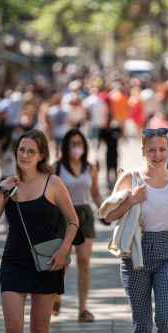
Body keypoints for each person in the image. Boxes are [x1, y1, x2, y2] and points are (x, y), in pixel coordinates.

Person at [0, 129, 79, 333]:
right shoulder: (8, 185)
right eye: (21, 150)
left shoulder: (52, 183)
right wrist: (1, 192)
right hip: (13, 262)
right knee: (13, 330)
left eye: (31, 151)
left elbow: (73, 221)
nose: (24, 155)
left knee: (39, 329)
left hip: (46, 262)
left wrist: (64, 249)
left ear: (41, 156)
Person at [104, 127, 168, 333]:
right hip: (135, 255)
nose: (157, 155)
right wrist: (131, 199)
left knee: (166, 319)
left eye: (162, 149)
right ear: (143, 151)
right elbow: (107, 216)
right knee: (141, 324)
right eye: (152, 150)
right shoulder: (130, 178)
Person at [54, 129, 104, 322]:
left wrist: (105, 211)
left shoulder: (90, 168)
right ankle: (56, 296)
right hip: (63, 216)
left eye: (79, 143)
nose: (76, 147)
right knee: (62, 262)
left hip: (84, 214)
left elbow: (96, 193)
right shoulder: (56, 168)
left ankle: (83, 308)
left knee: (84, 261)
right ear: (65, 146)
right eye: (72, 143)